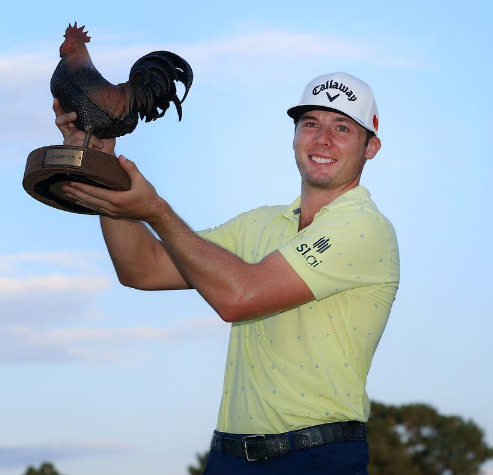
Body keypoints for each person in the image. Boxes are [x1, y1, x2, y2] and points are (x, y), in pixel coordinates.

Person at [54, 72, 400, 475]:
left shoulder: (365, 228)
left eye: (342, 127)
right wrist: (102, 163)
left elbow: (239, 298)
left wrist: (157, 211)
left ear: (370, 147)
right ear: (294, 137)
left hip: (317, 458)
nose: (322, 139)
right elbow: (142, 268)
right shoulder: (258, 224)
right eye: (311, 124)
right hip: (229, 457)